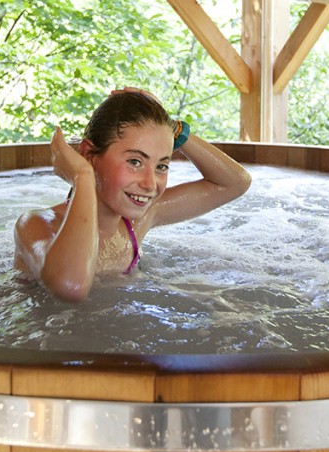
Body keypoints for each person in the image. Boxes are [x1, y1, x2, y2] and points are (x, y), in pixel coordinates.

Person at [14, 88, 252, 302]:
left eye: (161, 166)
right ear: (88, 154)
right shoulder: (36, 225)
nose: (150, 184)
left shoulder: (138, 221)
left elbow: (235, 183)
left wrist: (177, 130)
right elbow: (72, 286)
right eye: (135, 161)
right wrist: (83, 175)